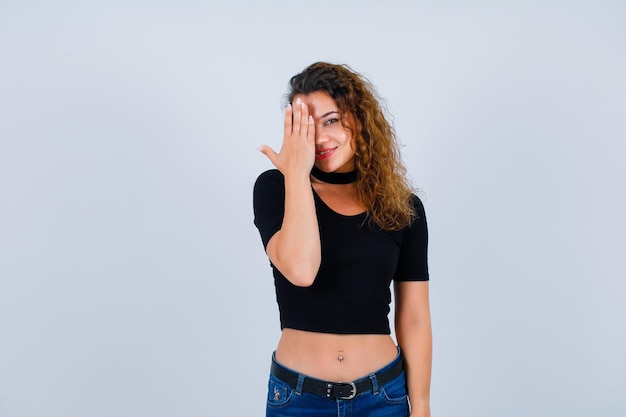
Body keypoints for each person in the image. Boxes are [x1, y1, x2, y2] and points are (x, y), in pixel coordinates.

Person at [253, 62, 431, 417]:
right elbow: (302, 270)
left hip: (384, 396)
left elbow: (414, 317)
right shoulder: (275, 189)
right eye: (306, 126)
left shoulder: (402, 207)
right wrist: (298, 176)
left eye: (331, 120)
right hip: (298, 399)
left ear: (359, 119)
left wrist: (422, 405)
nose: (319, 138)